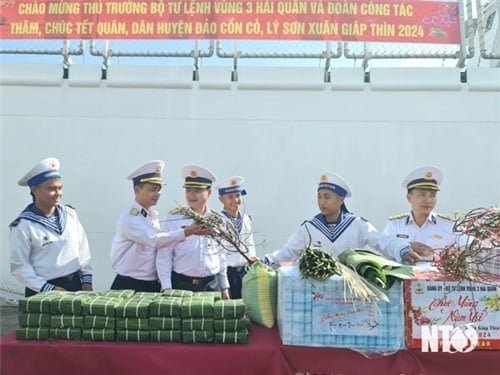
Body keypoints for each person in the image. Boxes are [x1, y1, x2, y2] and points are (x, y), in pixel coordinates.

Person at [259, 171, 420, 267]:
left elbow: (382, 241)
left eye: (327, 197)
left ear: (341, 200)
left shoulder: (357, 225)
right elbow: (288, 252)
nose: (322, 202)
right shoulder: (309, 228)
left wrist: (402, 249)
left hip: (353, 290)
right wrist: (264, 260)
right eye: (319, 197)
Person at [110, 160, 209, 292]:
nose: (157, 194)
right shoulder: (130, 218)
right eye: (152, 189)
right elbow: (155, 240)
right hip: (129, 285)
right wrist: (187, 232)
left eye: (159, 189)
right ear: (137, 190)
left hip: (151, 284)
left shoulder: (152, 215)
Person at [9, 157, 93, 297]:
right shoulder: (23, 225)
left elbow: (83, 249)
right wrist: (47, 288)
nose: (58, 193)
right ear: (35, 190)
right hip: (42, 289)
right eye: (52, 189)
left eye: (60, 188)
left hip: (75, 285)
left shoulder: (70, 214)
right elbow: (19, 267)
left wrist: (87, 279)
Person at [157, 165, 230, 299]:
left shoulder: (218, 221)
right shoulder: (174, 218)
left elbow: (221, 256)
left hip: (211, 286)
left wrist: (224, 287)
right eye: (188, 190)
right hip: (181, 285)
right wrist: (166, 287)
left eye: (197, 190)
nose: (191, 195)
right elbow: (164, 254)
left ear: (209, 193)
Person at [383, 166, 464, 262]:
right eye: (422, 195)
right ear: (409, 198)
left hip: (438, 275)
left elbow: (470, 246)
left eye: (432, 195)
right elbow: (384, 249)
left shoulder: (449, 225)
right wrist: (406, 247)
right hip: (403, 275)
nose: (428, 200)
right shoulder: (395, 225)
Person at [216, 176, 256, 299]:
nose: (235, 200)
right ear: (221, 199)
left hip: (244, 273)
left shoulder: (246, 219)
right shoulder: (218, 221)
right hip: (226, 274)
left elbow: (250, 246)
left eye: (238, 196)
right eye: (230, 197)